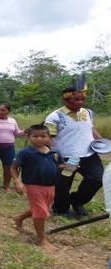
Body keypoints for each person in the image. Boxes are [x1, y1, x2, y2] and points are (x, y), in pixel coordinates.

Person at [45, 87, 103, 217]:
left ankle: (77, 201)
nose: (80, 102)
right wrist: (56, 156)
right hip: (69, 157)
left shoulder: (87, 112)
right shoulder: (55, 116)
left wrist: (102, 142)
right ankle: (61, 209)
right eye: (76, 99)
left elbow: (91, 129)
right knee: (64, 184)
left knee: (97, 179)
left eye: (82, 99)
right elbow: (49, 138)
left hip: (89, 155)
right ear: (65, 99)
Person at [12, 124, 63, 252]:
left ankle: (20, 218)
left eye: (43, 136)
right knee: (40, 212)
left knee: (42, 208)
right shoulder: (25, 153)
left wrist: (69, 167)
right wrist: (17, 181)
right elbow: (14, 167)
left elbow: (60, 165)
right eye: (35, 136)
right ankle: (41, 239)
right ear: (29, 137)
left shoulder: (54, 153)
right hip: (33, 185)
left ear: (48, 137)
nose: (39, 139)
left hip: (51, 186)